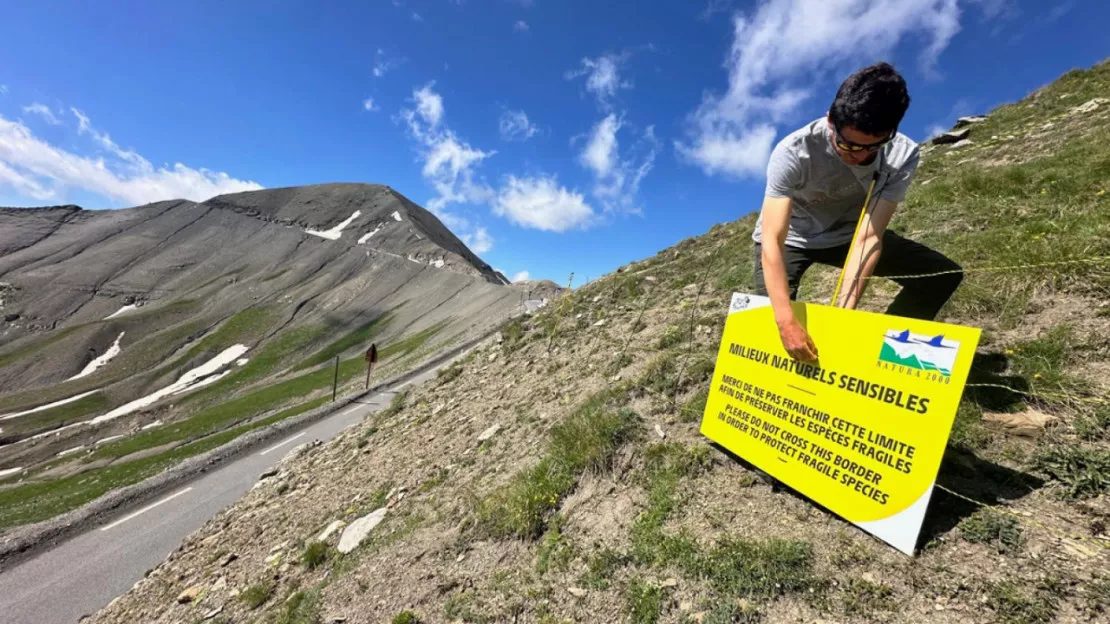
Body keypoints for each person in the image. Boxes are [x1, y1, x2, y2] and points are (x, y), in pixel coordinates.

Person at [752, 62, 963, 362]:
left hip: (848, 234)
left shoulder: (902, 155)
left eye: (873, 147)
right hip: (792, 238)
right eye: (847, 145)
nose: (860, 156)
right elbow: (772, 238)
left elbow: (868, 237)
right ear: (830, 122)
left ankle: (882, 359)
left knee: (942, 275)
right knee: (769, 316)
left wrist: (843, 316)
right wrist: (786, 321)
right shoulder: (793, 151)